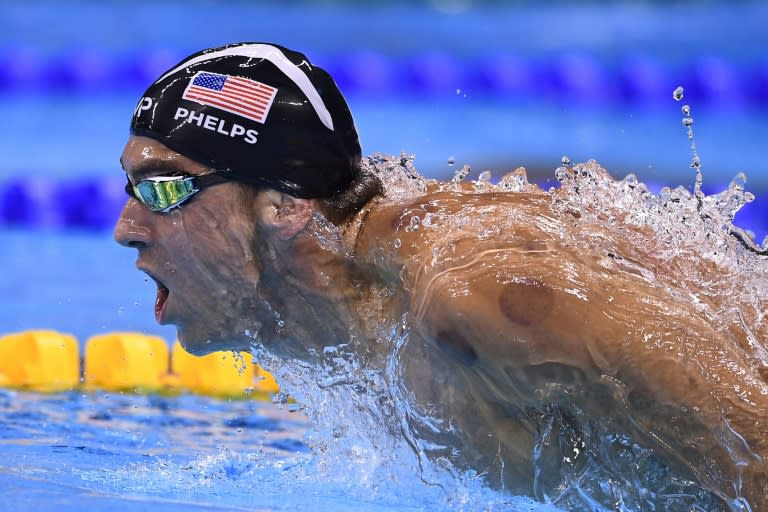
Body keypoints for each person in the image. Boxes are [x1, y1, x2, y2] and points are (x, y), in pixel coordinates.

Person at [115, 42, 768, 509]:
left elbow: (757, 444)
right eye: (129, 189)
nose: (126, 227)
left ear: (285, 206)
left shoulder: (484, 296)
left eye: (164, 191)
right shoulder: (357, 322)